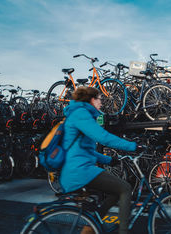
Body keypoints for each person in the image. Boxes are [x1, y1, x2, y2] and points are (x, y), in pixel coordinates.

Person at [60, 86, 138, 234]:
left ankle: (91, 226)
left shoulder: (80, 114)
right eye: (100, 99)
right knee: (125, 188)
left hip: (78, 168)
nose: (102, 102)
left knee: (114, 192)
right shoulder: (81, 114)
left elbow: (86, 151)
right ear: (91, 99)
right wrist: (133, 146)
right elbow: (103, 137)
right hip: (80, 170)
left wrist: (109, 160)